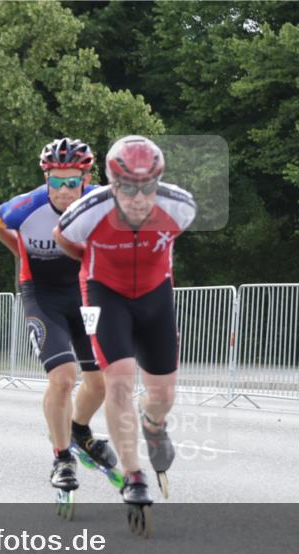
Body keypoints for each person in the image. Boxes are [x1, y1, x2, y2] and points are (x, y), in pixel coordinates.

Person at [53, 136, 196, 506]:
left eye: (148, 187)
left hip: (155, 295)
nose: (139, 198)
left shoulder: (179, 206)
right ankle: (134, 475)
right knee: (118, 382)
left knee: (163, 394)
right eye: (128, 188)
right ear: (112, 184)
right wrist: (93, 262)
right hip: (104, 293)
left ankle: (154, 425)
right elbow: (65, 240)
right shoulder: (88, 210)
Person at [0, 137, 118, 493]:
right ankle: (62, 457)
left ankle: (79, 429)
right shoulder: (27, 206)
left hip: (85, 295)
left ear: (85, 179)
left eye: (71, 181)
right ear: (46, 178)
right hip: (41, 296)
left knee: (100, 382)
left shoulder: (102, 204)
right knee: (62, 378)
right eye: (55, 181)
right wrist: (21, 252)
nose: (63, 189)